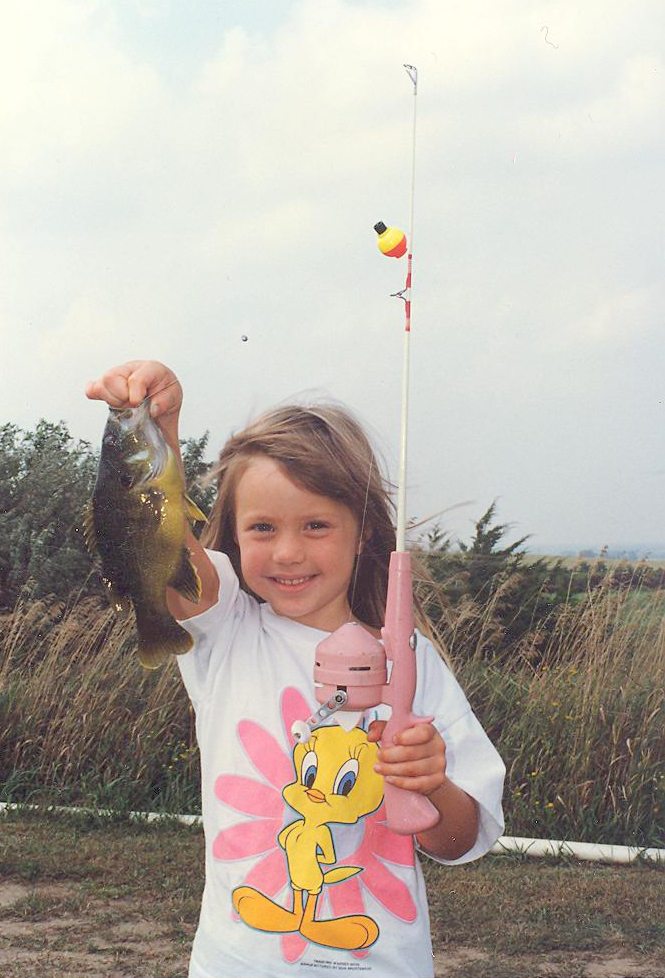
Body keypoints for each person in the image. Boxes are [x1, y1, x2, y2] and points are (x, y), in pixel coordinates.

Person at [86, 359, 505, 978]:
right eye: (262, 527)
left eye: (316, 525)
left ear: (364, 533)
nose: (287, 552)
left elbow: (460, 840)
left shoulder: (411, 659)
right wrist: (158, 432)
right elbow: (161, 547)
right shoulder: (226, 628)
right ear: (232, 534)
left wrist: (431, 784)